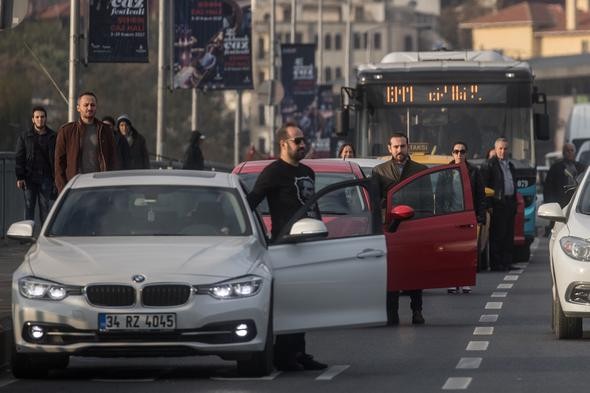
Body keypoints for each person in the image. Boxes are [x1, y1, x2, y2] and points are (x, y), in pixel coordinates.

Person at [246, 121, 326, 372]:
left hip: (309, 241)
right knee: (290, 300)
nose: (303, 145)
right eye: (297, 141)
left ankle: (299, 352)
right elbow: (251, 202)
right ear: (283, 144)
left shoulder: (307, 172)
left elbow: (312, 205)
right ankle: (284, 354)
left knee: (304, 301)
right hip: (287, 244)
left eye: (304, 140)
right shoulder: (273, 172)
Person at [371, 132, 427, 325]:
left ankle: (417, 311)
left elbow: (426, 200)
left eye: (402, 146)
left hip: (414, 225)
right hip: (391, 228)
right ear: (389, 148)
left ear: (408, 147)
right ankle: (391, 314)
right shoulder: (379, 171)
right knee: (392, 272)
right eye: (395, 147)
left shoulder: (421, 170)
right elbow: (374, 201)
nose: (399, 150)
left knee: (415, 271)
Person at [442, 141, 486, 294]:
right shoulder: (446, 171)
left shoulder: (474, 171)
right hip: (450, 216)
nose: (459, 154)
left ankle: (465, 281)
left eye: (462, 151)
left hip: (468, 217)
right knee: (451, 251)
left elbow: (481, 195)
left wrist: (480, 216)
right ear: (452, 153)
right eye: (456, 151)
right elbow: (439, 196)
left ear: (466, 153)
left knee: (467, 250)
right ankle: (452, 282)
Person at [54, 91, 118, 193]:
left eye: (92, 105)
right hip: (76, 186)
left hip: (100, 185)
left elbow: (113, 159)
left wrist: (111, 186)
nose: (89, 108)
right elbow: (59, 164)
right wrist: (64, 189)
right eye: (86, 105)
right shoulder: (66, 131)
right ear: (78, 108)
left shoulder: (106, 130)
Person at [14, 106, 57, 224]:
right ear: (33, 119)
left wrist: (56, 178)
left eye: (42, 117)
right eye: (37, 117)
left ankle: (44, 237)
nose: (40, 119)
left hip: (46, 177)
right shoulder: (24, 136)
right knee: (29, 208)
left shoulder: (53, 136)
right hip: (29, 177)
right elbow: (19, 158)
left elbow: (56, 159)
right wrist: (20, 177)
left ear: (46, 118)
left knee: (45, 209)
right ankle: (27, 237)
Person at [481, 137, 518, 272]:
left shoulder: (511, 165)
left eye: (505, 148)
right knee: (497, 235)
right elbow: (485, 187)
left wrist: (514, 203)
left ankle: (507, 262)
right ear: (495, 149)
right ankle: (497, 264)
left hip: (509, 203)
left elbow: (512, 185)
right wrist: (489, 205)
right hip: (497, 204)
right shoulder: (489, 165)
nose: (503, 151)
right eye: (500, 148)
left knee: (509, 235)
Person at [544, 143, 587, 208]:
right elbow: (548, 188)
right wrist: (549, 205)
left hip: (577, 203)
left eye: (571, 150)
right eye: (567, 150)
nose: (569, 152)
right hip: (560, 203)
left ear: (575, 153)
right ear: (563, 153)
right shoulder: (555, 168)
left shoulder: (582, 168)